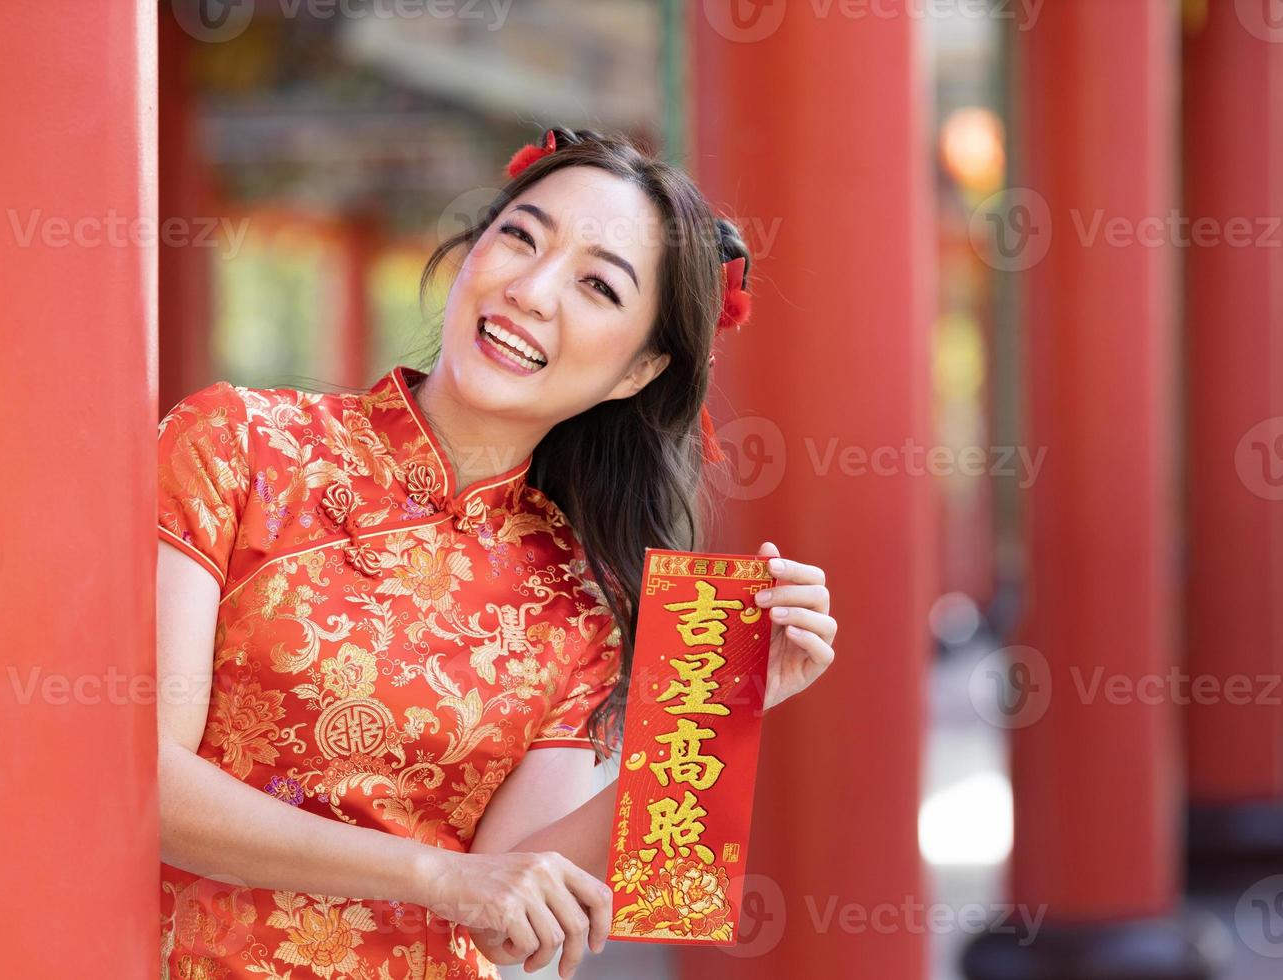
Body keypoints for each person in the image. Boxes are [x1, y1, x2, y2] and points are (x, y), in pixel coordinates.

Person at [157, 126, 838, 980]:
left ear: (638, 371)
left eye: (597, 285)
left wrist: (715, 718)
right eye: (520, 235)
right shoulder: (236, 445)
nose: (532, 289)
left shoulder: (584, 605)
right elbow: (142, 781)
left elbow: (510, 920)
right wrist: (438, 874)